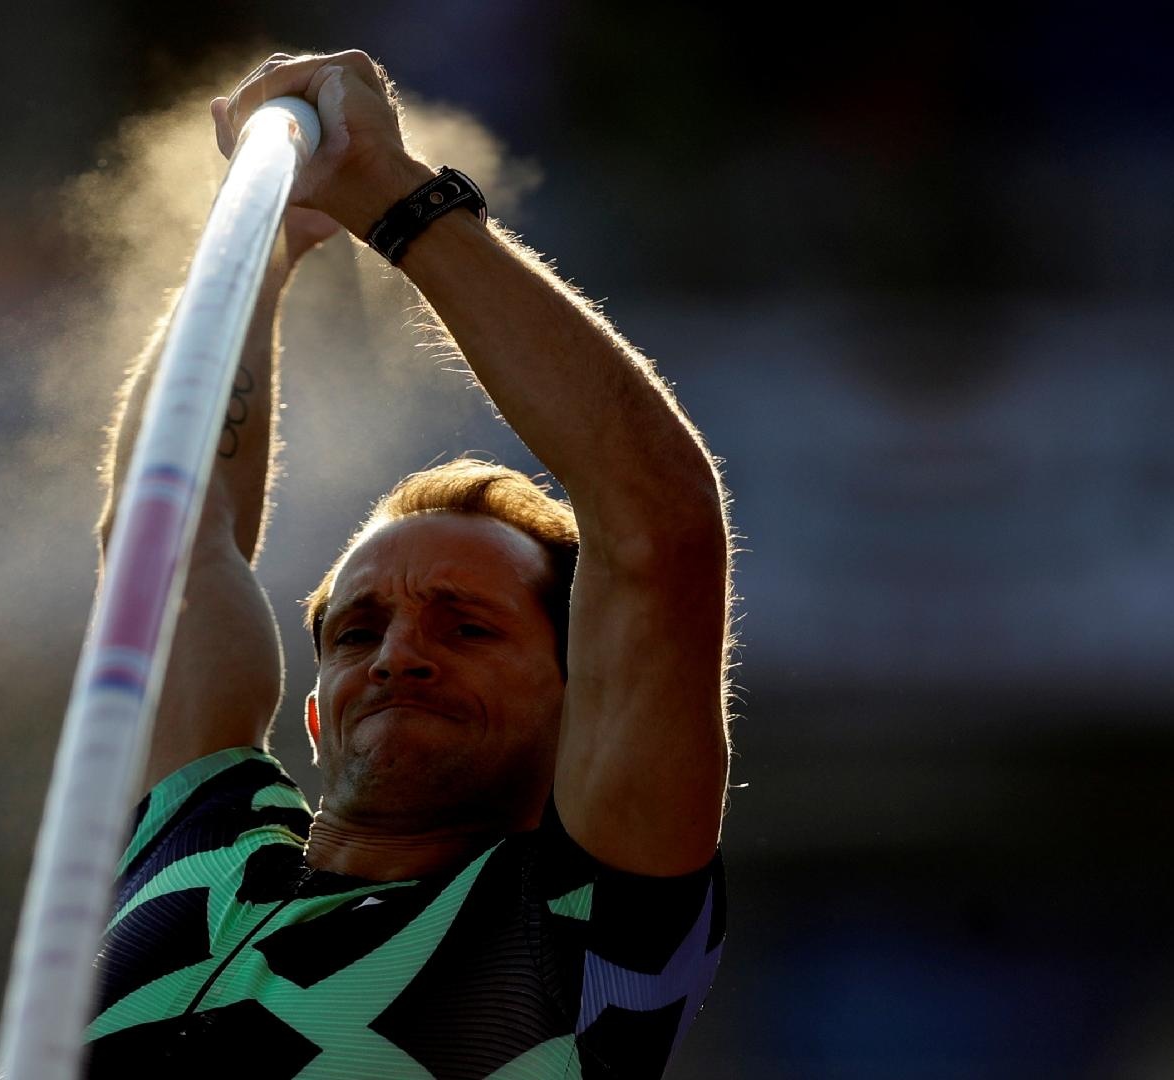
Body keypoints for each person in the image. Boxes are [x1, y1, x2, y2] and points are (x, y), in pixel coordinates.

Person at [87, 51, 733, 1079]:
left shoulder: (585, 919)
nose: (398, 656)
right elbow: (165, 535)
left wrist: (389, 193)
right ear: (316, 708)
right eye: (358, 631)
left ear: (584, 711)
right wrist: (256, 245)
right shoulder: (200, 847)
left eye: (466, 625)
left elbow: (659, 529)